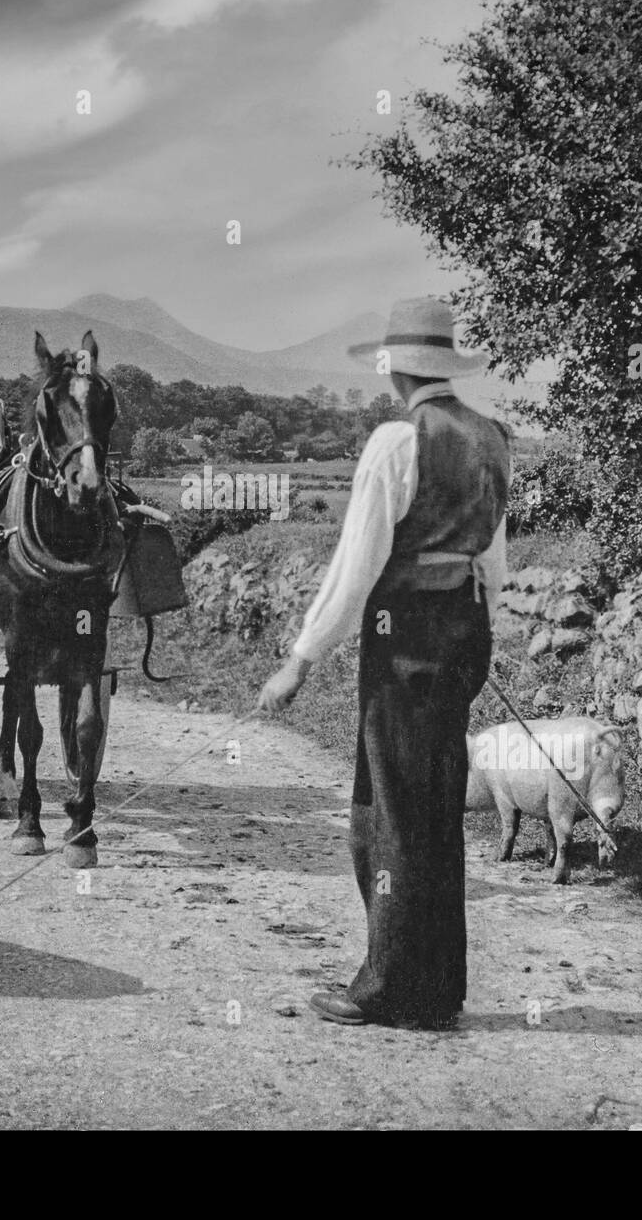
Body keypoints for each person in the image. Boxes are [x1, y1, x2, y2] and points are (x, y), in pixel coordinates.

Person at [257, 296, 510, 1031]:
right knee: (437, 806)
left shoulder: (396, 442)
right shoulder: (493, 438)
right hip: (463, 632)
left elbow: (355, 569)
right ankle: (436, 987)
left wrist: (299, 661)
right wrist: (477, 636)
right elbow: (492, 561)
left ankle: (386, 986)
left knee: (391, 809)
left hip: (404, 640)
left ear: (395, 367)